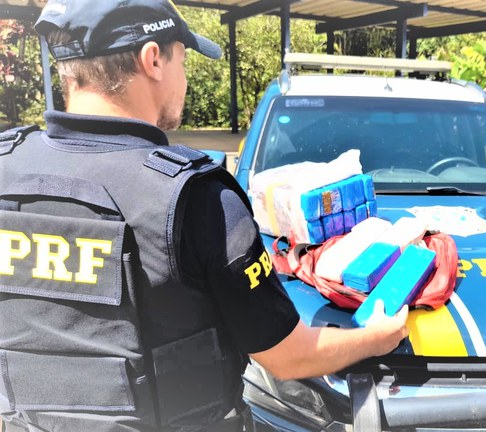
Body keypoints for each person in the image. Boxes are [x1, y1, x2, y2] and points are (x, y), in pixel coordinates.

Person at [0, 1, 408, 431]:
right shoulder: (196, 197)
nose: (186, 77)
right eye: (183, 58)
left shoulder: (6, 168)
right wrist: (381, 336)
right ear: (153, 59)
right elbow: (288, 357)